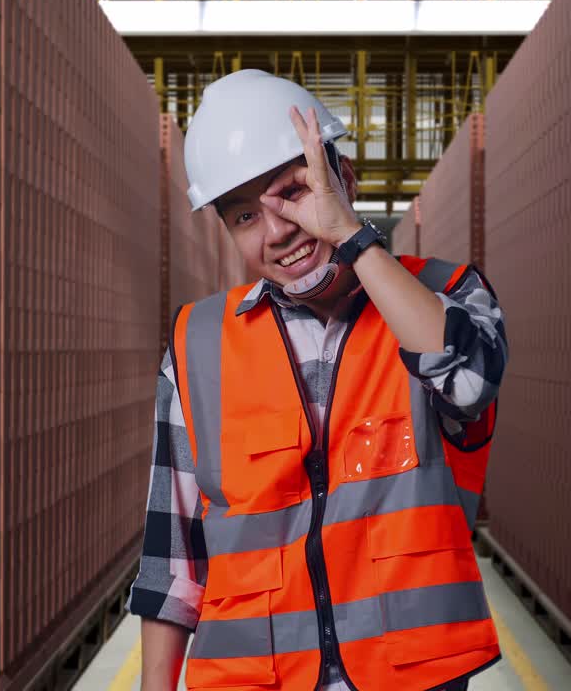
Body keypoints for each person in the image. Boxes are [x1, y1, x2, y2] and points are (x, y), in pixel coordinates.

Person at [126, 68, 509, 691]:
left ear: (343, 179)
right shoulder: (196, 342)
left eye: (293, 193)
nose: (276, 230)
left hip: (407, 677)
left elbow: (466, 381)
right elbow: (175, 557)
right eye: (246, 216)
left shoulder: (444, 296)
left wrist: (353, 240)